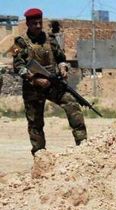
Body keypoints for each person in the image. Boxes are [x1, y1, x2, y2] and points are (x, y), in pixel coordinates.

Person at [11, 8, 87, 155]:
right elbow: (18, 67)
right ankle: (40, 155)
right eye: (34, 23)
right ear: (27, 23)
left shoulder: (50, 39)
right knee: (35, 123)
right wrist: (34, 78)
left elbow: (61, 58)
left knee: (72, 104)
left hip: (52, 84)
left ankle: (83, 145)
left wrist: (63, 67)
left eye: (40, 23)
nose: (38, 26)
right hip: (33, 88)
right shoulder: (19, 43)